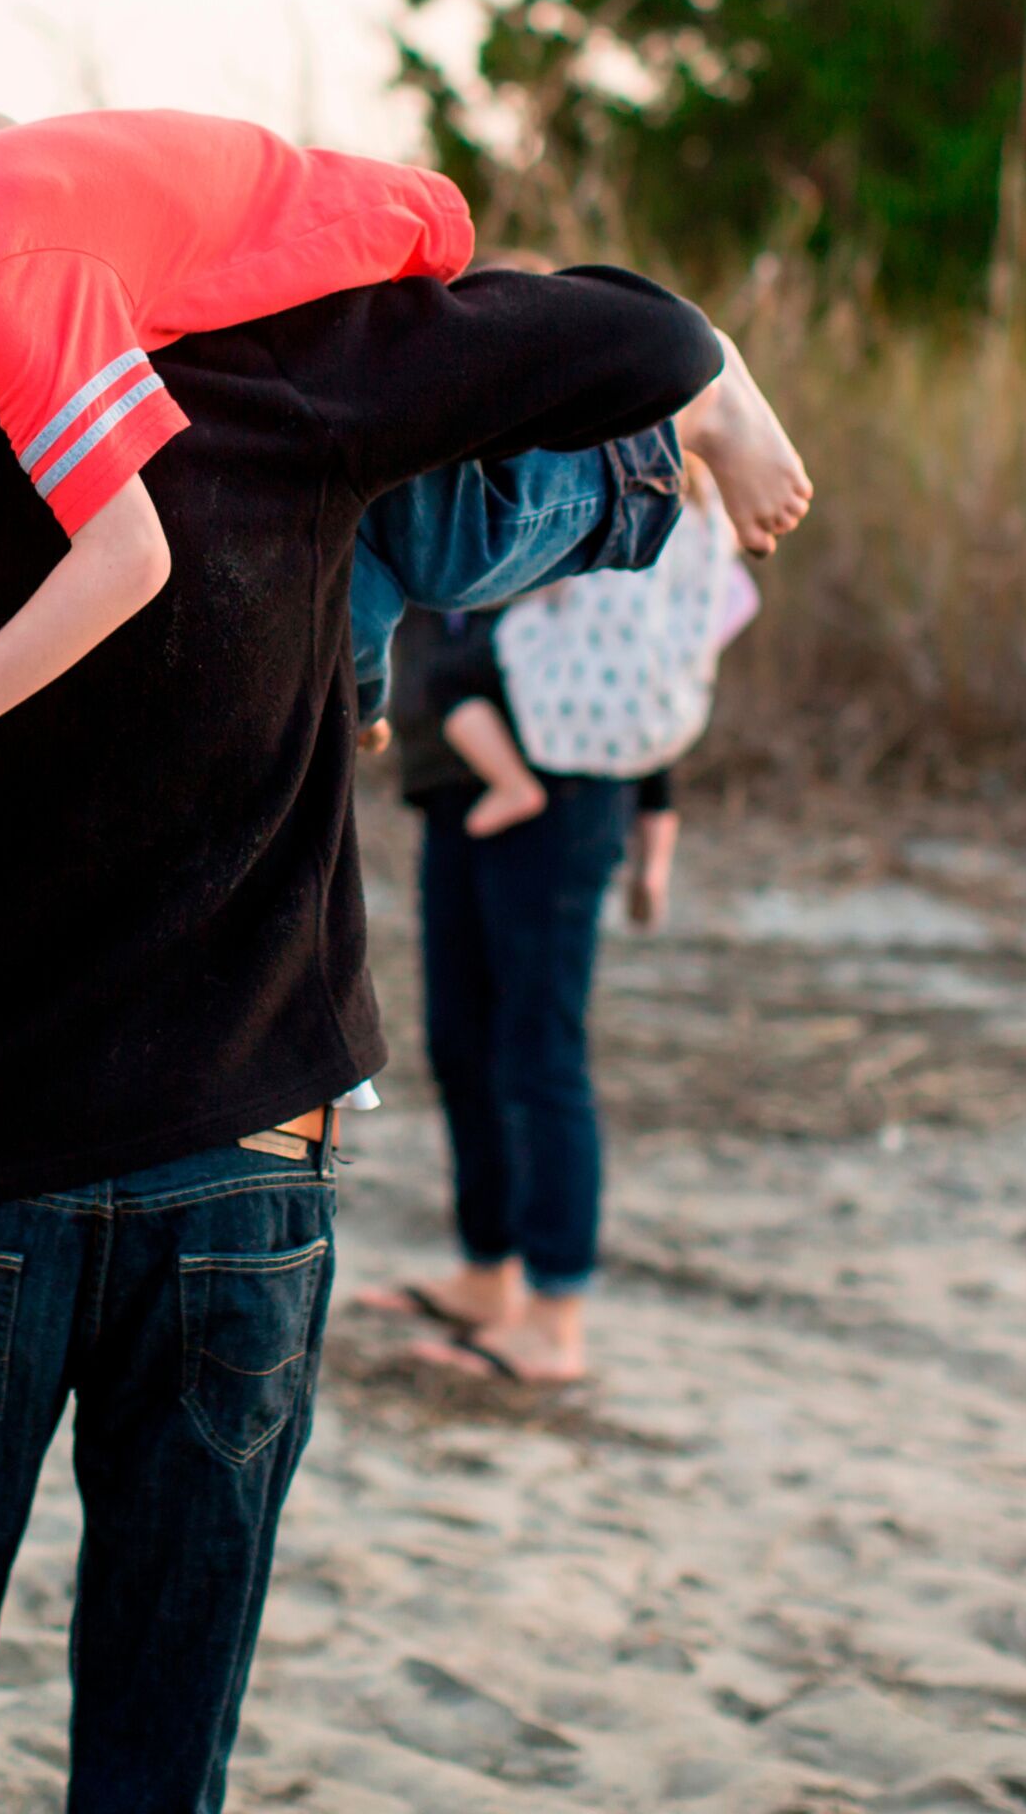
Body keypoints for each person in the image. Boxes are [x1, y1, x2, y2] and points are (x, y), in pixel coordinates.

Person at [0, 259, 725, 1808]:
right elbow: (623, 350)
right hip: (245, 1163)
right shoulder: (253, 380)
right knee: (158, 1744)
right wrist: (705, 415)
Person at [0, 108, 812, 893]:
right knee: (330, 596)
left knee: (452, 537)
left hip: (327, 260)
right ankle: (355, 670)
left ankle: (693, 412)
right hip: (180, 307)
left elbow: (129, 559)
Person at [364, 458, 756, 1388]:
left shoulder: (598, 469)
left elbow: (640, 656)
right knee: (461, 1040)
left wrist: (653, 828)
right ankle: (487, 1273)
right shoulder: (482, 460)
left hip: (567, 789)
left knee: (541, 1050)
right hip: (458, 790)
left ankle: (555, 1314)